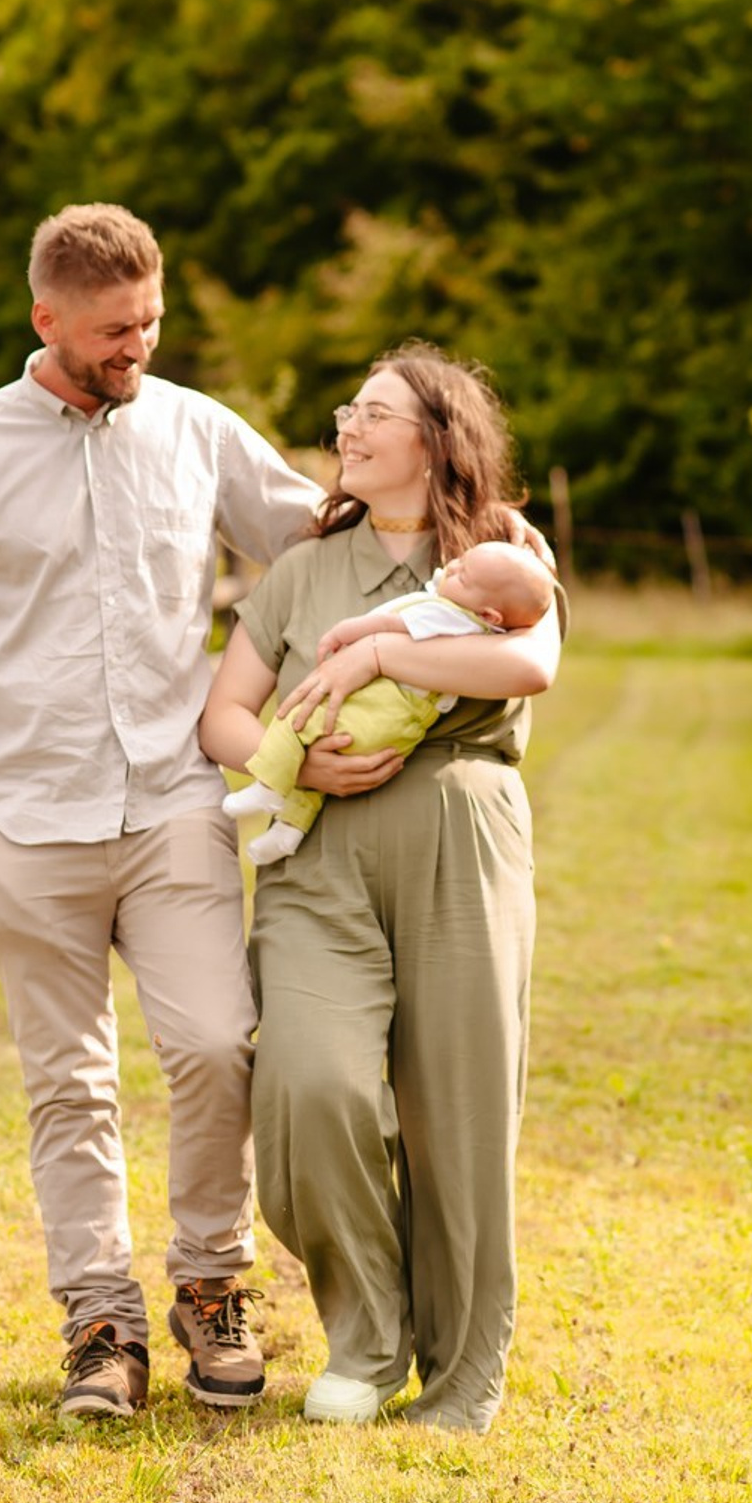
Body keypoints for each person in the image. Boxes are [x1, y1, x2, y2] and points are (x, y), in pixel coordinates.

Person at [0, 202, 397, 1420]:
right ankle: (99, 1322)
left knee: (219, 1045)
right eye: (115, 330)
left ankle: (211, 1284)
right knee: (70, 1085)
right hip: (26, 823)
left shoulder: (195, 430)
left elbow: (321, 542)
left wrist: (475, 544)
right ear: (46, 318)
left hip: (172, 805)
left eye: (151, 322)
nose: (139, 347)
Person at [200, 345, 563, 1433]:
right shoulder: (302, 571)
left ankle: (462, 1372)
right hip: (319, 858)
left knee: (460, 1109)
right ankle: (366, 1339)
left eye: (374, 413)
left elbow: (527, 666)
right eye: (347, 411)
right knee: (311, 1086)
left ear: (436, 440)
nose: (347, 429)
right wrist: (290, 760)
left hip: (463, 842)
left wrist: (377, 658)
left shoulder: (506, 549)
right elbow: (222, 715)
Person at [222, 537, 556, 864]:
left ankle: (269, 782)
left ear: (490, 615)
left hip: (379, 717)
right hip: (399, 730)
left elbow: (391, 622)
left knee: (298, 722)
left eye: (464, 576)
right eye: (460, 561)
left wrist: (356, 639)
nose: (452, 567)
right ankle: (290, 830)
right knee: (316, 774)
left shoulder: (449, 611)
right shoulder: (482, 619)